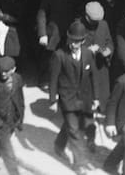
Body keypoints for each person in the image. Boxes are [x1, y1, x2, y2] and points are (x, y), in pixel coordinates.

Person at [49, 19, 97, 170]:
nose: (73, 44)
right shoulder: (59, 55)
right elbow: (53, 79)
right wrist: (52, 100)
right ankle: (79, 164)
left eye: (77, 41)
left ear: (83, 41)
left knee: (72, 126)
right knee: (75, 131)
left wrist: (96, 98)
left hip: (83, 99)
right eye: (71, 40)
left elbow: (93, 76)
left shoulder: (88, 54)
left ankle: (58, 145)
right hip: (67, 98)